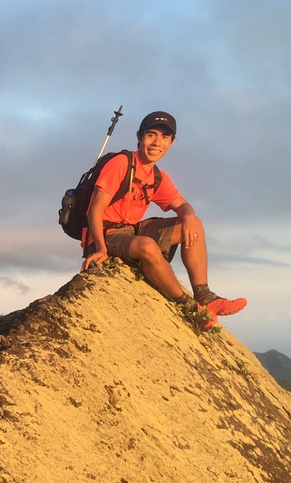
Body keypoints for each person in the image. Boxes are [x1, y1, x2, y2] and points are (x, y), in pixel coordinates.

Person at [81, 111, 246, 326]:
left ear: (171, 142)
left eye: (165, 137)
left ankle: (204, 297)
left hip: (130, 231)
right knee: (148, 246)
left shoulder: (157, 176)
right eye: (151, 135)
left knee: (194, 224)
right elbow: (95, 209)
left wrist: (188, 216)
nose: (157, 142)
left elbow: (183, 205)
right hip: (103, 234)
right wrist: (101, 249)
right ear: (139, 136)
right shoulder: (122, 163)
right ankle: (190, 308)